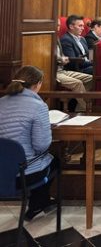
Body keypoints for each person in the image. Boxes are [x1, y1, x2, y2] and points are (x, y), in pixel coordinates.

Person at [0, 66, 58, 221]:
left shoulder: (1, 102)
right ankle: (37, 204)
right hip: (22, 176)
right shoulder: (38, 106)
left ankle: (39, 203)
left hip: (2, 172)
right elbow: (41, 146)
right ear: (38, 84)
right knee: (54, 161)